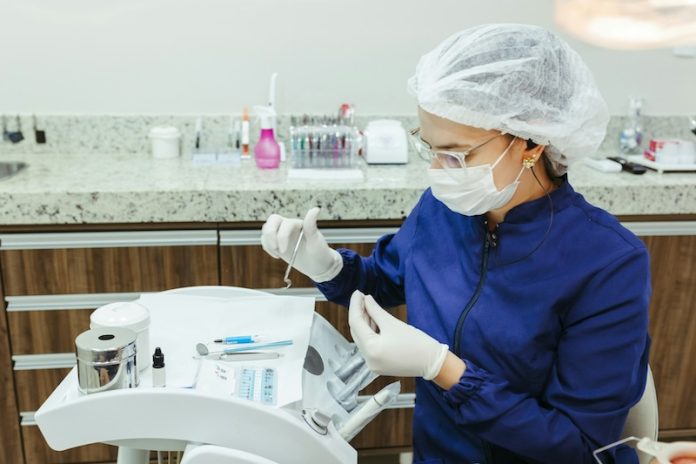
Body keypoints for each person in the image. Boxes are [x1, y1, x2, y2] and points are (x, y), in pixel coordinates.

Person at [262, 24, 651, 463]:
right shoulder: (444, 209)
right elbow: (386, 280)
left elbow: (578, 446)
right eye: (430, 148)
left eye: (458, 154)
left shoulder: (608, 264)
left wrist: (443, 369)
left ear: (532, 141)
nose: (439, 171)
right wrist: (327, 266)